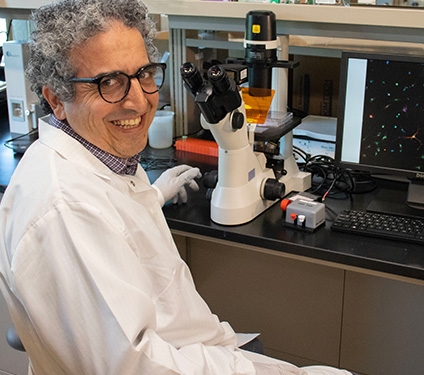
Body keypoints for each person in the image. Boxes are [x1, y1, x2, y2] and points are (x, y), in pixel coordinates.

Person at [0, 0, 353, 374]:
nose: (138, 100)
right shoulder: (66, 210)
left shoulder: (96, 154)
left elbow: (111, 231)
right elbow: (135, 365)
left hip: (195, 345)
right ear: (56, 98)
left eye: (145, 74)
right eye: (109, 82)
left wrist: (152, 197)